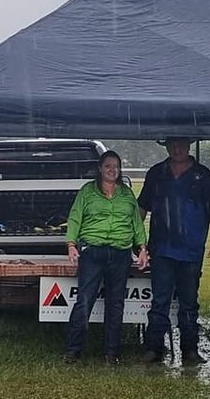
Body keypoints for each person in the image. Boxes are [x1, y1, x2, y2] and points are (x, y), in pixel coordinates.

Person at [139, 137, 210, 364]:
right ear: (166, 146)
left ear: (188, 146)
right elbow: (142, 207)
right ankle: (153, 349)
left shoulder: (204, 176)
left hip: (191, 250)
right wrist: (138, 241)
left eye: (181, 145)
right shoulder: (156, 173)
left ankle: (190, 350)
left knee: (189, 302)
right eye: (173, 145)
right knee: (160, 301)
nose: (177, 149)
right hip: (161, 249)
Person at [62, 149, 149, 365]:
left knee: (116, 303)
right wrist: (71, 245)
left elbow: (136, 223)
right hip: (93, 250)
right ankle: (73, 350)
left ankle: (112, 353)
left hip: (120, 253)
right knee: (84, 300)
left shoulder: (127, 194)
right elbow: (74, 218)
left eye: (116, 166)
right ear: (100, 169)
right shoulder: (87, 192)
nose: (112, 170)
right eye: (108, 166)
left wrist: (142, 248)